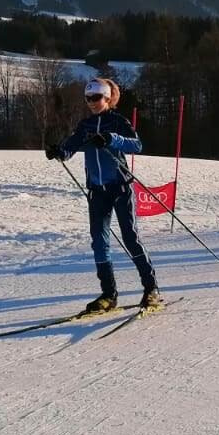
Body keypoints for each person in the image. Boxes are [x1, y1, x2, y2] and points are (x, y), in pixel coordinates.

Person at [45, 78, 161, 313]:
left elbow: (137, 145)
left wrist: (111, 139)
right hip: (97, 191)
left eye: (96, 98)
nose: (92, 103)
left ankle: (151, 289)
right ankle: (108, 294)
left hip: (120, 187)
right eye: (88, 99)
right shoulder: (86, 125)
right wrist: (58, 151)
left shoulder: (117, 121)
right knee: (99, 241)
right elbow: (71, 146)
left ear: (108, 98)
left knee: (130, 238)